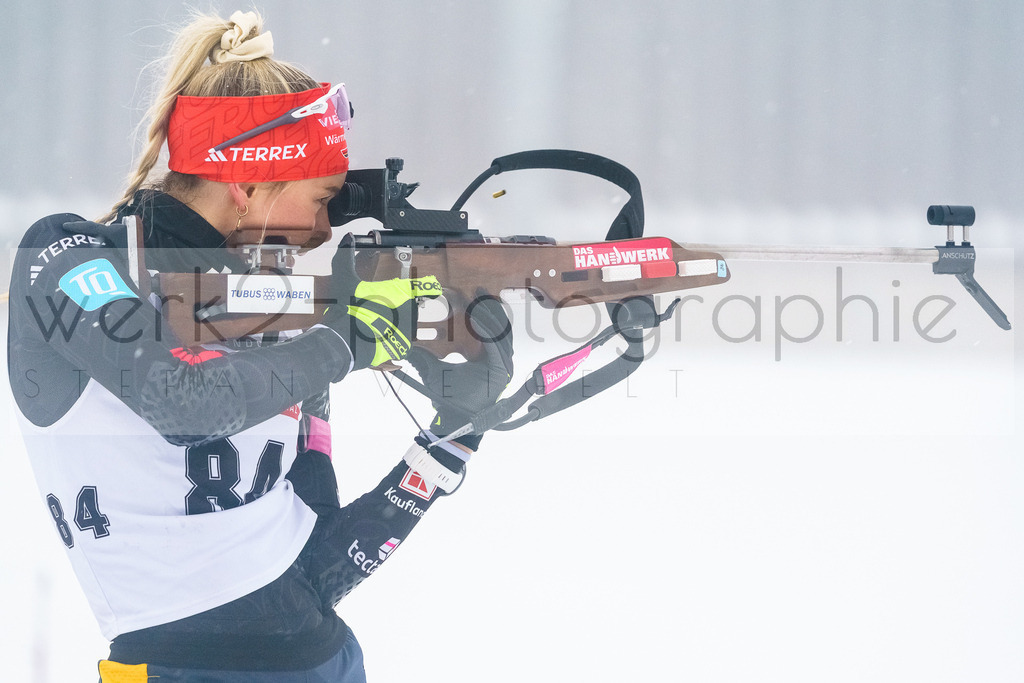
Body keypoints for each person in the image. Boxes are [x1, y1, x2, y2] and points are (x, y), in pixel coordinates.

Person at [7, 10, 512, 682]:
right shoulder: (66, 256)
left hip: (330, 663)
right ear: (245, 186)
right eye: (322, 198)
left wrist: (453, 438)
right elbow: (183, 401)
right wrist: (352, 339)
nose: (326, 227)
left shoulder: (272, 305)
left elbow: (315, 574)